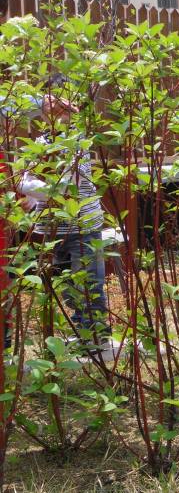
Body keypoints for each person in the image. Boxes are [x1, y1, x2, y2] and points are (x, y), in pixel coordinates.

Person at [16, 89, 114, 360]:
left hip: (83, 226)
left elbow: (65, 187)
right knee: (67, 284)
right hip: (52, 228)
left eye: (62, 107)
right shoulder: (41, 141)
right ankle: (83, 331)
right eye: (51, 108)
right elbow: (24, 179)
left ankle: (97, 339)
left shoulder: (78, 142)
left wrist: (33, 187)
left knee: (89, 283)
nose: (56, 113)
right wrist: (33, 199)